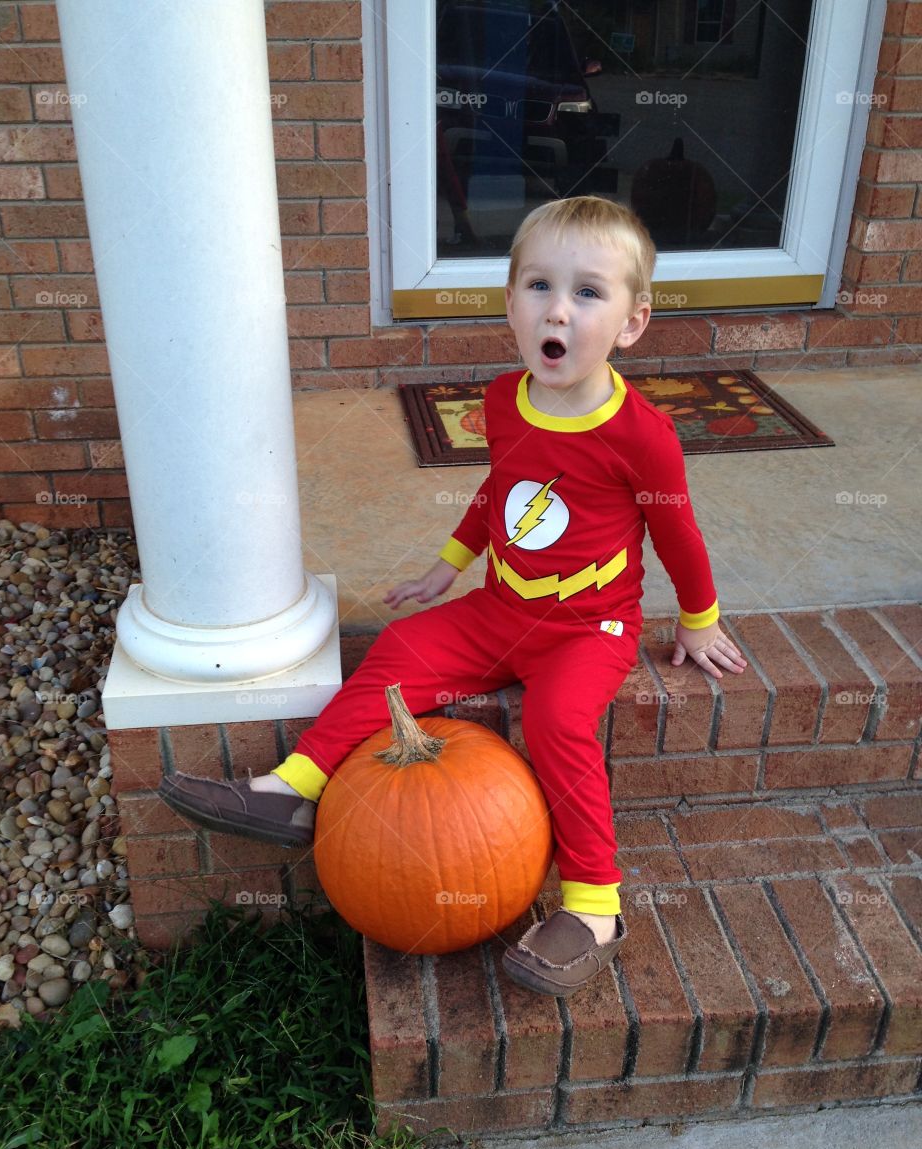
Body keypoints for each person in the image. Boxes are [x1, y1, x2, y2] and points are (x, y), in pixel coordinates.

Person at [159, 195, 747, 998]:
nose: (559, 310)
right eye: (539, 285)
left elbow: (677, 533)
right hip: (502, 611)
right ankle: (291, 790)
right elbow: (498, 492)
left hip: (589, 627)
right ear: (511, 304)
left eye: (588, 293)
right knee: (401, 650)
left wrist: (700, 617)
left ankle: (595, 906)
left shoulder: (641, 435)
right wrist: (450, 562)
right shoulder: (504, 401)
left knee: (556, 720)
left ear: (632, 323)